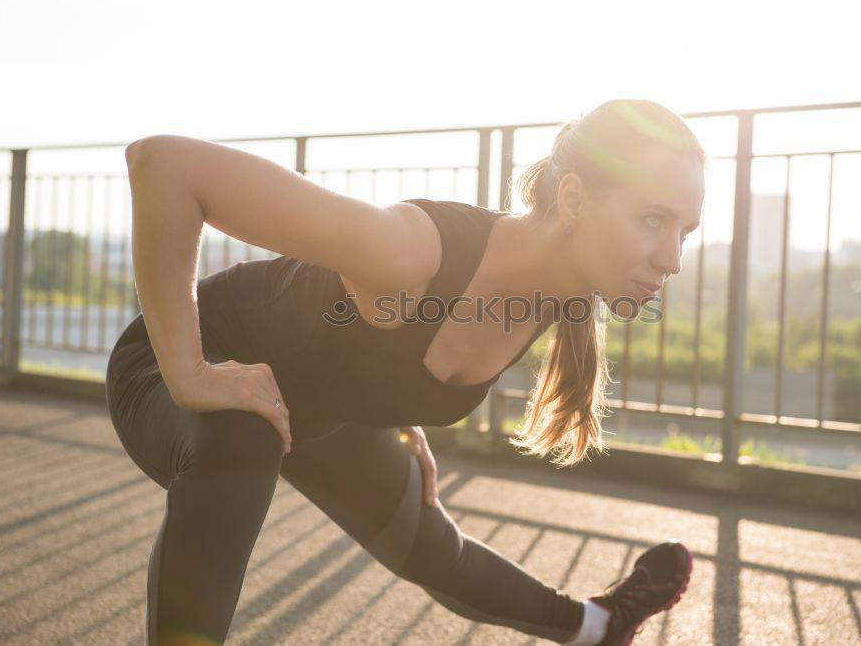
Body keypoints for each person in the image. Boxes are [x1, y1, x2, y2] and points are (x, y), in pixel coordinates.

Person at [106, 98, 706, 646]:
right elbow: (162, 164)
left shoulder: (557, 290)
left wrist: (393, 409)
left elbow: (369, 345)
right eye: (653, 219)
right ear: (574, 201)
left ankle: (599, 626)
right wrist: (191, 373)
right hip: (172, 364)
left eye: (684, 231)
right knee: (241, 433)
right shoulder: (411, 252)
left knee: (428, 543)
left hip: (313, 402)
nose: (672, 259)